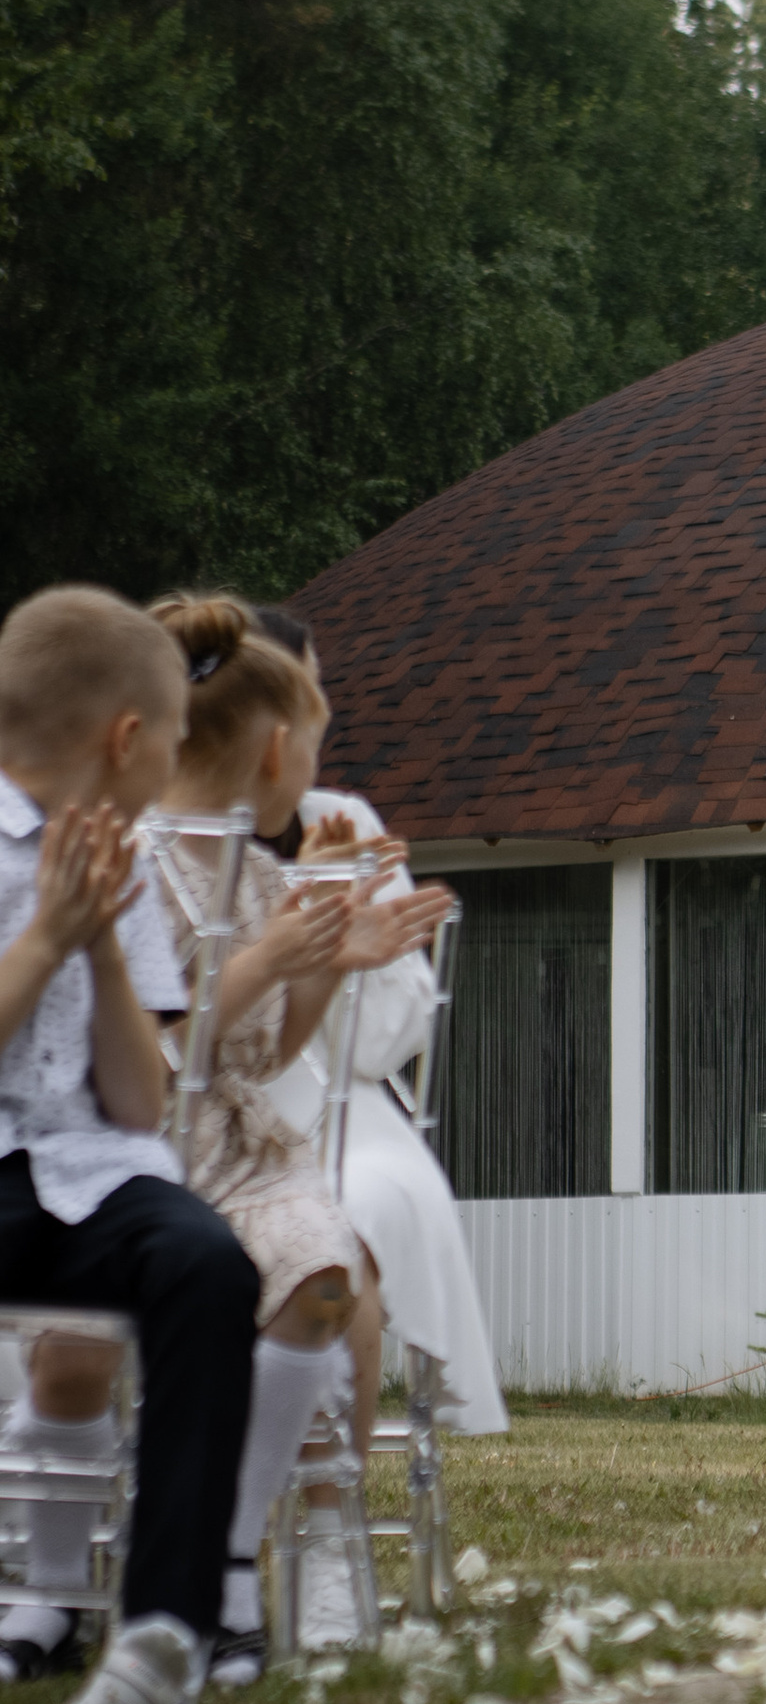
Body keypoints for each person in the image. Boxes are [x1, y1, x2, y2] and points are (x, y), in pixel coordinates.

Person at [146, 601, 451, 1678]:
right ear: (277, 747)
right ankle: (171, 1568)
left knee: (325, 1265)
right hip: (153, 1148)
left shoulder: (281, 862)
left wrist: (329, 945)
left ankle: (243, 1550)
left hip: (249, 1141)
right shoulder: (140, 861)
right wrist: (284, 948)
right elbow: (159, 1042)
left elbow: (274, 1053)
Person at [0, 587, 259, 1704]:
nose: (170, 770)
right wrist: (44, 936)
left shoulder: (131, 870)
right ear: (125, 739)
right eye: (168, 743)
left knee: (207, 1263)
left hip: (94, 1174)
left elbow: (142, 1105)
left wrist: (102, 941)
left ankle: (160, 1641)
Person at [250, 612, 506, 1452]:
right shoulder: (163, 832)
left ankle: (328, 1517)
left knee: (355, 1210)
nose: (327, 709)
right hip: (207, 1098)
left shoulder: (346, 820)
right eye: (309, 688)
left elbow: (388, 1038)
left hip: (339, 1107)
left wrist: (341, 944)